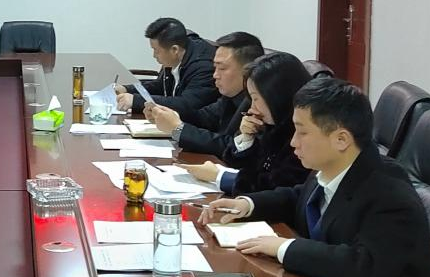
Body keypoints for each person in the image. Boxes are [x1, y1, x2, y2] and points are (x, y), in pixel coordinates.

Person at [201, 77, 430, 277]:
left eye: (302, 132)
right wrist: (248, 204)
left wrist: (284, 247)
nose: (293, 142)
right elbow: (298, 197)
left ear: (341, 139)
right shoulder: (335, 166)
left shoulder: (388, 193)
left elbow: (365, 268)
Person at [186, 51, 312, 194]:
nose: (252, 108)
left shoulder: (302, 134)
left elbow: (276, 188)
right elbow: (240, 165)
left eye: (255, 98)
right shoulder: (272, 125)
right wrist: (246, 138)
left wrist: (220, 176)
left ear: (277, 96)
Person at [146, 31, 263, 158]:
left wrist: (178, 129)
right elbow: (203, 118)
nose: (215, 75)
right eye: (215, 67)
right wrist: (166, 116)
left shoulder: (259, 104)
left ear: (248, 71)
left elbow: (231, 146)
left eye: (222, 68)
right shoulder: (230, 96)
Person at [113, 17, 216, 117]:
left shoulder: (204, 66)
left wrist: (136, 100)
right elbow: (161, 87)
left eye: (156, 50)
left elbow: (187, 104)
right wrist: (127, 89)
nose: (154, 55)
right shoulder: (177, 55)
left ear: (174, 50)